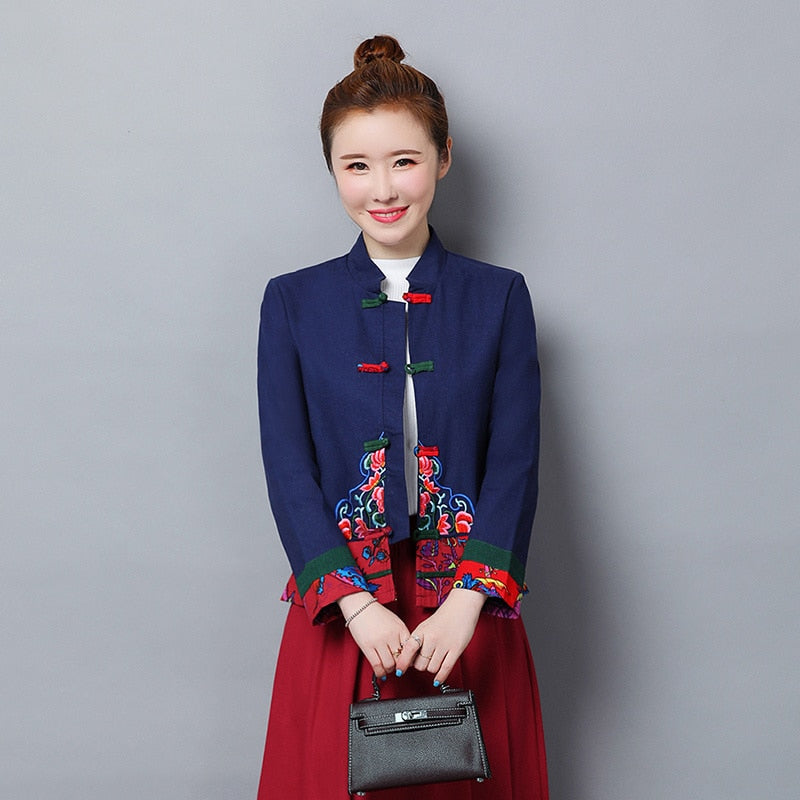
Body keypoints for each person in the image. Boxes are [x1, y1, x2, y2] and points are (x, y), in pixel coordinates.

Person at [256, 35, 548, 799]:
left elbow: (514, 463)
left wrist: (467, 603)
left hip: (466, 613)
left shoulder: (500, 298)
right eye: (356, 166)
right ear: (331, 170)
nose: (382, 189)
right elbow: (288, 471)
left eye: (404, 161)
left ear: (443, 159)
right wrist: (355, 606)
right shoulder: (291, 304)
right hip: (346, 609)